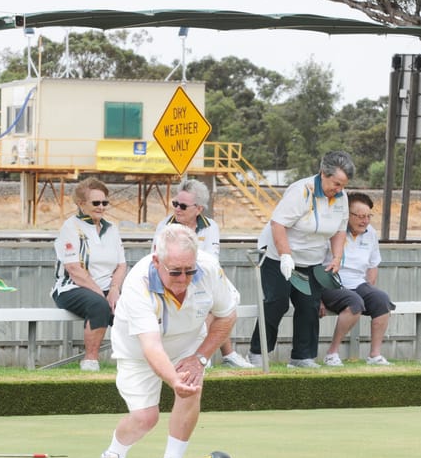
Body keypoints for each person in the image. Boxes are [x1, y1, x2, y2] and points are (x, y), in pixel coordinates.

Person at [88, 224, 239, 458]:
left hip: (189, 344)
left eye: (189, 270)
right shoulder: (138, 283)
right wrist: (173, 379)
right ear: (157, 261)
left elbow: (227, 315)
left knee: (190, 392)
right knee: (145, 418)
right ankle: (112, 457)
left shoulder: (209, 269)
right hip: (139, 351)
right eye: (175, 272)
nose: (184, 278)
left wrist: (200, 358)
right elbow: (152, 346)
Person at [248, 150, 353, 368]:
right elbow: (278, 224)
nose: (339, 189)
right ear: (323, 173)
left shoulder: (341, 198)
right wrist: (286, 255)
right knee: (276, 302)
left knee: (309, 305)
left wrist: (337, 257)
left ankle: (302, 357)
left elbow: (340, 230)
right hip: (278, 255)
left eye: (343, 185)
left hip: (311, 259)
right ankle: (259, 354)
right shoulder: (301, 191)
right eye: (336, 183)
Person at [153, 179, 253, 369]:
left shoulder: (211, 226)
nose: (177, 209)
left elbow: (211, 259)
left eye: (182, 205)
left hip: (201, 276)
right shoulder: (164, 226)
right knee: (212, 301)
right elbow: (159, 259)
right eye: (175, 204)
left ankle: (210, 355)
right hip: (173, 279)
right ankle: (210, 355)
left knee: (220, 299)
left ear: (198, 209)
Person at [52, 178, 127, 371]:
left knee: (134, 306)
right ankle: (90, 360)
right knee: (98, 305)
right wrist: (101, 295)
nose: (101, 207)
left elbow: (121, 265)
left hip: (107, 289)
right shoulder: (70, 227)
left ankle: (133, 361)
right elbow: (74, 270)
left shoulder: (112, 228)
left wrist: (114, 289)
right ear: (81, 204)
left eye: (104, 203)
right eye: (96, 203)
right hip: (72, 287)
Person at [319, 192, 395, 366]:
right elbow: (316, 264)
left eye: (368, 216)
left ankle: (374, 355)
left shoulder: (371, 234)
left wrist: (370, 289)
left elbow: (373, 264)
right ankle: (332, 353)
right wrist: (318, 298)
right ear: (347, 215)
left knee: (381, 299)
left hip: (358, 283)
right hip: (331, 283)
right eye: (360, 216)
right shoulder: (333, 231)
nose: (365, 221)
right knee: (355, 301)